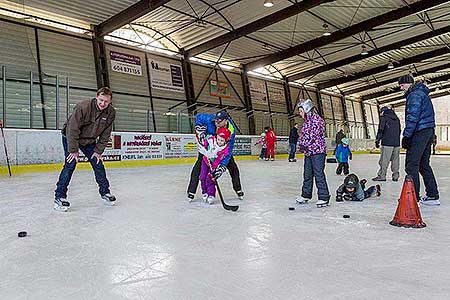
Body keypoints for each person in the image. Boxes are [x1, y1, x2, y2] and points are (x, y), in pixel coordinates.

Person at [54, 87, 116, 212]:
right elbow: (72, 129)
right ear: (96, 97)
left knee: (98, 163)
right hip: (71, 137)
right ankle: (59, 197)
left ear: (110, 102)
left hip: (89, 140)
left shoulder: (110, 112)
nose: (103, 104)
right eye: (101, 100)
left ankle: (105, 193)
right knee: (70, 164)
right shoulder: (83, 107)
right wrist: (73, 150)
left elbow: (105, 133)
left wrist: (98, 151)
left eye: (106, 102)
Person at [399, 74, 439, 206]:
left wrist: (407, 135)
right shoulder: (422, 93)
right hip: (428, 131)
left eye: (402, 84)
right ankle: (433, 195)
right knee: (423, 164)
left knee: (411, 164)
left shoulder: (415, 95)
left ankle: (412, 197)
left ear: (409, 83)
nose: (401, 87)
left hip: (419, 131)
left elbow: (412, 116)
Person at [187, 110, 244, 201]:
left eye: (219, 121)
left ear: (226, 120)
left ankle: (238, 189)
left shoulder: (231, 130)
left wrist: (222, 167)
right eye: (216, 121)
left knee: (233, 167)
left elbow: (228, 151)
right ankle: (191, 191)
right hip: (207, 147)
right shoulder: (211, 119)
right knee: (198, 167)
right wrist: (199, 130)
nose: (216, 123)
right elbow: (199, 116)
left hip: (221, 150)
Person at [295, 99, 331, 208]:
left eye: (301, 111)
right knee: (307, 174)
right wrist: (301, 144)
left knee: (318, 174)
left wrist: (302, 146)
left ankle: (324, 197)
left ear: (307, 110)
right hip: (308, 152)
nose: (300, 114)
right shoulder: (306, 122)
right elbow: (304, 136)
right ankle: (306, 195)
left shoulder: (317, 120)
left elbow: (312, 136)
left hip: (317, 152)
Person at [199, 127, 232, 205]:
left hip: (214, 165)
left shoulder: (225, 150)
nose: (219, 142)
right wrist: (204, 144)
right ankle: (204, 192)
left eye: (222, 140)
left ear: (226, 140)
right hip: (205, 161)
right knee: (202, 177)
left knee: (210, 178)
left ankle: (211, 194)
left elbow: (218, 161)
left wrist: (215, 168)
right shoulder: (211, 140)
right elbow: (205, 144)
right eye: (218, 139)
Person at [372, 106, 401, 182]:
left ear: (383, 111)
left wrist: (377, 140)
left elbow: (381, 130)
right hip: (397, 143)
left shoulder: (384, 118)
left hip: (387, 143)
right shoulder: (396, 119)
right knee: (395, 160)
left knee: (384, 161)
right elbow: (399, 131)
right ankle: (395, 176)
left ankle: (382, 176)